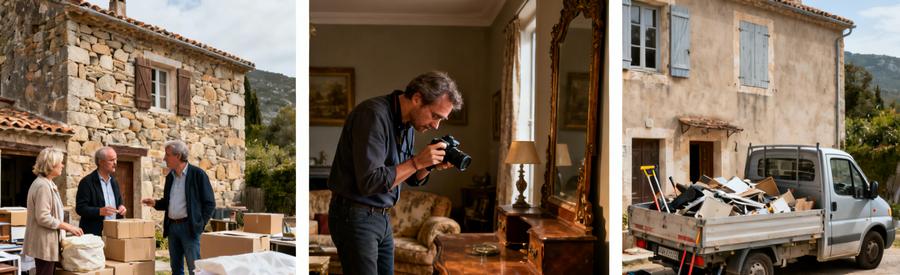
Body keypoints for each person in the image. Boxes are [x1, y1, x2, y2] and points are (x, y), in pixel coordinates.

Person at [328, 71, 463, 275]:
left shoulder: (408, 123)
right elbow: (371, 182)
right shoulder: (372, 115)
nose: (436, 125)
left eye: (441, 120)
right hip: (356, 216)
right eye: (435, 116)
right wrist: (417, 162)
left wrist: (428, 165)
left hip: (382, 217)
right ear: (417, 98)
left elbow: (405, 175)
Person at [141, 140, 215, 275]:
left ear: (178, 156)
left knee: (195, 269)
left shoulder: (198, 175)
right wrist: (156, 203)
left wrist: (200, 224)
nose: (164, 158)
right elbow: (168, 202)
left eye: (167, 155)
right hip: (172, 228)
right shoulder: (170, 177)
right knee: (176, 269)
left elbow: (209, 203)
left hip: (190, 228)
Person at [23, 147, 84, 275]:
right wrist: (67, 226)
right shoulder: (43, 186)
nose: (62, 165)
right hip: (44, 244)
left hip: (48, 243)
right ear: (51, 165)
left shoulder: (47, 183)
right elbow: (43, 217)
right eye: (60, 162)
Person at [75, 147, 127, 236]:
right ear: (101, 162)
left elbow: (119, 202)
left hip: (114, 233)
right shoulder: (87, 182)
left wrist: (121, 207)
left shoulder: (114, 182)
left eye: (116, 159)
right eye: (111, 160)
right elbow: (80, 208)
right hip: (94, 234)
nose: (115, 163)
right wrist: (99, 211)